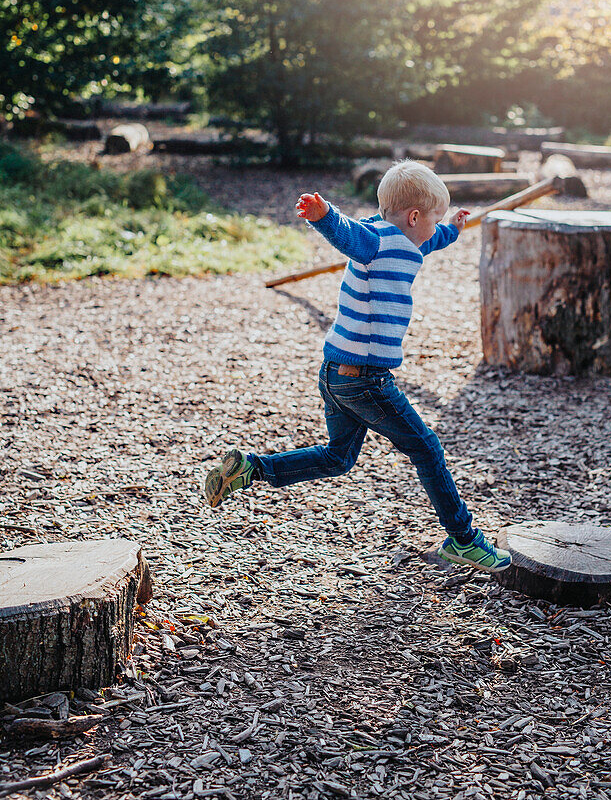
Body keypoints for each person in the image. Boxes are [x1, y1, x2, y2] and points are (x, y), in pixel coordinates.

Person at [204, 160, 511, 571]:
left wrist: (452, 225)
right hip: (364, 380)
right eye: (433, 219)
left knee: (338, 458)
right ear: (413, 216)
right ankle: (463, 539)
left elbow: (434, 239)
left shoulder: (411, 238)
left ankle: (250, 467)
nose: (435, 229)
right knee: (427, 449)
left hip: (336, 374)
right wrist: (324, 214)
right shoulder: (376, 240)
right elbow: (347, 234)